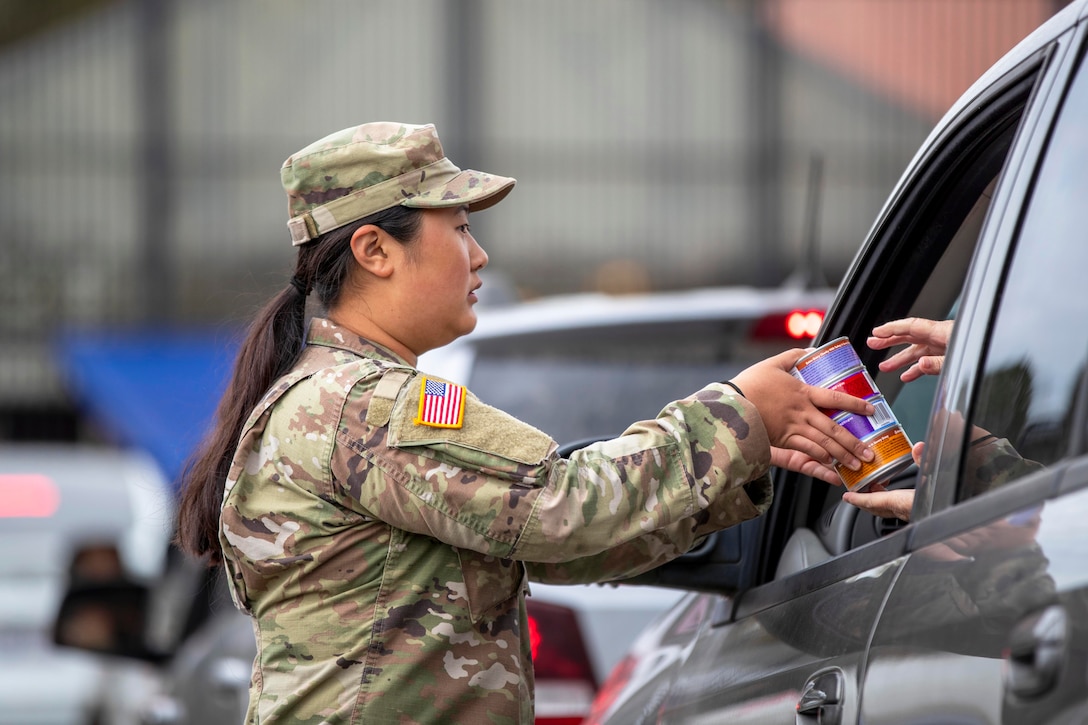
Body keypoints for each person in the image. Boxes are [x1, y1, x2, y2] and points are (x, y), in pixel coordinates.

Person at [174, 121, 876, 725]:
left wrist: (745, 450)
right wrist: (739, 412)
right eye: (459, 228)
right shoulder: (374, 406)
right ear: (374, 250)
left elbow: (559, 549)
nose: (478, 256)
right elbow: (561, 508)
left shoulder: (327, 395)